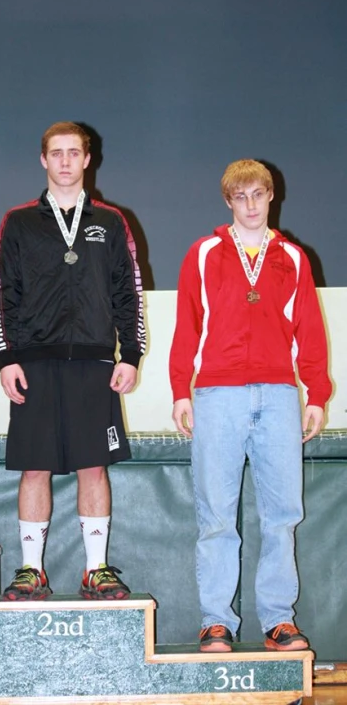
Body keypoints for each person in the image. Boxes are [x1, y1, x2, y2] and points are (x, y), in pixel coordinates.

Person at [169, 159, 331, 653]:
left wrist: (317, 394)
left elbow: (309, 330)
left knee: (282, 513)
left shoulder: (293, 258)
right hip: (217, 395)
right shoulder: (204, 253)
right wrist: (180, 390)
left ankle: (279, 621)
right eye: (241, 197)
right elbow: (187, 325)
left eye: (259, 195)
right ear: (228, 202)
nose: (251, 205)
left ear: (272, 196)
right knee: (217, 515)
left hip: (280, 395)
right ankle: (217, 621)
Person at [0, 121, 146, 600]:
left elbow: (129, 293)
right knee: (34, 467)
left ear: (87, 158)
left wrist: (132, 354)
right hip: (33, 362)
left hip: (96, 362)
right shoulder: (18, 222)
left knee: (92, 466)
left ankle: (95, 569)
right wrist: (5, 357)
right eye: (55, 153)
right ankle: (31, 570)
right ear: (43, 160)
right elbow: (3, 293)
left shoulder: (112, 221)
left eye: (72, 152)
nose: (64, 161)